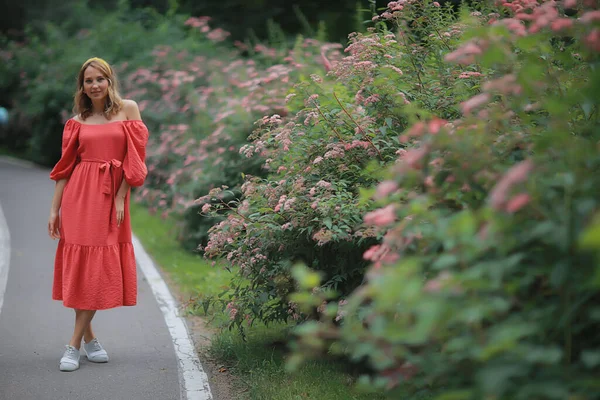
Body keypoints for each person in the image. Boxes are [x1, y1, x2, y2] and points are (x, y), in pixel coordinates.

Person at [47, 57, 149, 372]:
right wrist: (54, 209)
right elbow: (65, 169)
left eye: (99, 79)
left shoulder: (128, 110)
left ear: (109, 81)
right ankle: (80, 343)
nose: (94, 85)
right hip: (79, 198)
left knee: (99, 268)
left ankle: (77, 343)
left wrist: (121, 198)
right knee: (83, 269)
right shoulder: (77, 121)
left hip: (111, 197)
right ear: (82, 86)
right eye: (88, 80)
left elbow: (135, 160)